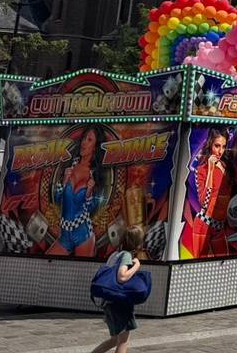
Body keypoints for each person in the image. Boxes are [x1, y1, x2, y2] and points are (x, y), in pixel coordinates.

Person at [48, 126, 104, 257]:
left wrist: (89, 192)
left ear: (95, 147)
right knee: (45, 265)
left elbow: (92, 208)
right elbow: (57, 198)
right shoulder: (70, 165)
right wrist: (64, 182)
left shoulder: (95, 174)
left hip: (83, 234)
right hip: (65, 234)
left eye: (89, 140)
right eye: (84, 138)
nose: (84, 142)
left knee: (81, 270)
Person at [91, 225, 143, 353]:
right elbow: (122, 277)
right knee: (123, 341)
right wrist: (136, 266)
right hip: (119, 304)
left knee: (114, 339)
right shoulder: (126, 256)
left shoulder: (115, 255)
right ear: (137, 242)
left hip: (108, 303)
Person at [186, 130, 231, 257]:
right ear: (210, 145)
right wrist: (211, 170)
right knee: (200, 262)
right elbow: (204, 202)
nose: (220, 151)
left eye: (223, 147)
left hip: (219, 225)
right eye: (217, 146)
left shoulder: (225, 167)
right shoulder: (202, 170)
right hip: (204, 224)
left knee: (224, 261)